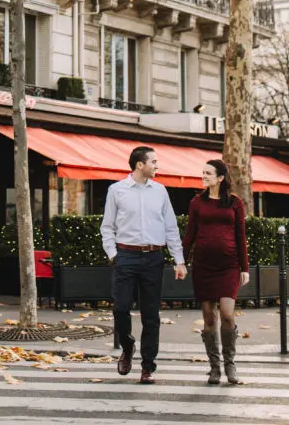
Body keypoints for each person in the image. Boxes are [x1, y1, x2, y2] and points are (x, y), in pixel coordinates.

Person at [101, 145, 187, 385]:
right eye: (154, 162)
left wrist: (178, 260)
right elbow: (107, 226)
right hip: (125, 256)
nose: (157, 166)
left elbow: (171, 227)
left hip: (153, 258)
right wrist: (113, 255)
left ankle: (148, 366)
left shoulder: (160, 191)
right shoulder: (116, 190)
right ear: (140, 164)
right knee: (120, 308)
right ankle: (127, 347)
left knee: (151, 315)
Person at [182, 159, 249, 385]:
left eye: (208, 173)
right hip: (203, 266)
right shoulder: (196, 203)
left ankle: (230, 364)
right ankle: (214, 368)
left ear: (220, 177)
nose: (204, 176)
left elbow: (241, 236)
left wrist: (244, 267)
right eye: (203, 172)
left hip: (228, 265)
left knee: (228, 315)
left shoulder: (234, 202)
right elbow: (190, 234)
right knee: (209, 318)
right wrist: (180, 261)